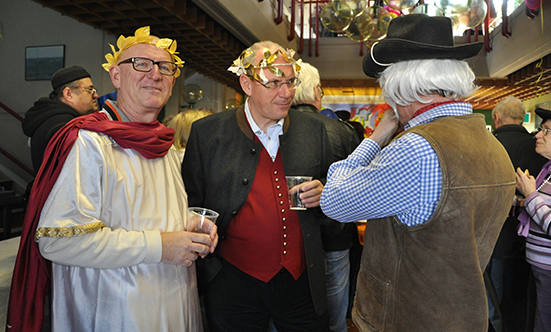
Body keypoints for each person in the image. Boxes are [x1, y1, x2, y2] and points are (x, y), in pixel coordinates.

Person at [6, 26, 218, 332]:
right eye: (141, 64)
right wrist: (159, 246)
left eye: (165, 67)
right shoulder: (89, 143)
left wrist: (189, 224)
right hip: (114, 310)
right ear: (116, 76)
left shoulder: (165, 144)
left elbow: (147, 214)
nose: (155, 74)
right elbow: (56, 241)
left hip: (173, 300)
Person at [320, 14, 515, 331]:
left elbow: (334, 201)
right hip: (464, 315)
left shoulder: (417, 149)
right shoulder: (492, 146)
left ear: (401, 86)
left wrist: (377, 138)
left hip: (406, 318)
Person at [182, 41, 333, 331]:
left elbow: (331, 198)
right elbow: (192, 201)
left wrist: (325, 192)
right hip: (233, 284)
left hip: (301, 282)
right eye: (274, 83)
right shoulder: (208, 133)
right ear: (247, 84)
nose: (287, 93)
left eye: (290, 82)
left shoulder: (314, 131)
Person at [292, 61, 361, 332]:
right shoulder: (343, 131)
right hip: (335, 233)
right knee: (334, 315)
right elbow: (357, 185)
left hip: (292, 235)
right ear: (317, 91)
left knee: (294, 311)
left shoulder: (276, 128)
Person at [487, 96, 548, 331]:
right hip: (526, 244)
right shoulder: (538, 153)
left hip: (495, 233)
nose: (540, 135)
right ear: (523, 118)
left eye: (546, 131)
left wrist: (526, 198)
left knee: (494, 294)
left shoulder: (488, 144)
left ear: (496, 118)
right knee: (524, 304)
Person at [22, 65, 99, 173]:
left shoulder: (48, 119)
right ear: (68, 94)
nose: (95, 95)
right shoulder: (64, 126)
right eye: (89, 90)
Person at [515, 107, 551, 332]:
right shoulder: (547, 171)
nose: (538, 135)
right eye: (541, 129)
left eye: (546, 131)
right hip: (540, 268)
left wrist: (530, 195)